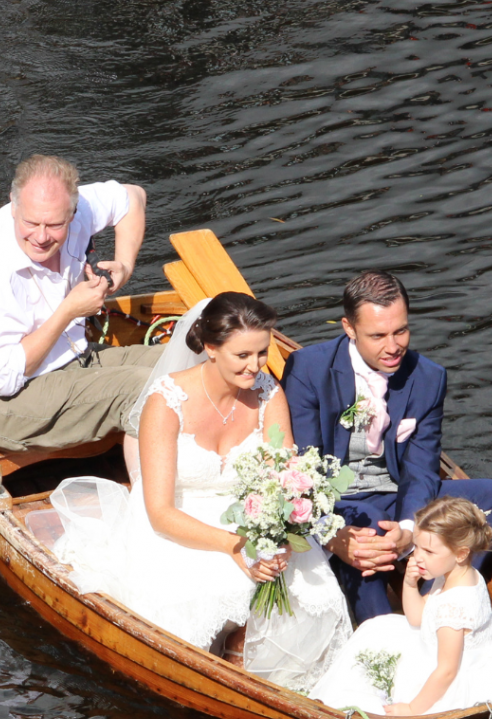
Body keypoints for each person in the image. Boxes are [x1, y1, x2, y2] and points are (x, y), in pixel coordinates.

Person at [49, 293, 352, 692]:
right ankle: (220, 668)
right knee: (212, 597)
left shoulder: (268, 394)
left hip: (252, 517)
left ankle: (251, 664)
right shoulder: (167, 400)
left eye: (262, 353)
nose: (256, 366)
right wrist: (236, 546)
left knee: (312, 597)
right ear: (210, 348)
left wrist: (275, 535)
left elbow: (285, 480)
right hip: (181, 525)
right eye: (242, 355)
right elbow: (159, 511)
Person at [281, 270, 492, 623]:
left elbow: (421, 467)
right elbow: (305, 469)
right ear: (349, 328)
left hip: (398, 495)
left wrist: (409, 528)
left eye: (401, 331)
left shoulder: (429, 377)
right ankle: (383, 637)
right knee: (372, 538)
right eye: (377, 335)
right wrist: (332, 533)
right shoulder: (309, 370)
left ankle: (441, 603)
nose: (393, 347)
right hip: (342, 501)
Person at [0, 154, 159, 470]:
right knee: (145, 388)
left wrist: (124, 266)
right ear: (13, 206)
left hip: (69, 358)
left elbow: (133, 197)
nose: (41, 236)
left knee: (185, 362)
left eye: (54, 225)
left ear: (73, 212)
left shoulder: (78, 210)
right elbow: (6, 378)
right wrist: (68, 311)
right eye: (31, 222)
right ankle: (155, 508)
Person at [309, 496, 492, 715]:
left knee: (372, 687)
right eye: (417, 548)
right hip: (437, 652)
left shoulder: (455, 608)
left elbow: (447, 671)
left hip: (453, 678)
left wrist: (412, 708)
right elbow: (418, 618)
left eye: (428, 552)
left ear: (460, 554)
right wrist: (410, 584)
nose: (418, 557)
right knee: (376, 629)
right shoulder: (455, 573)